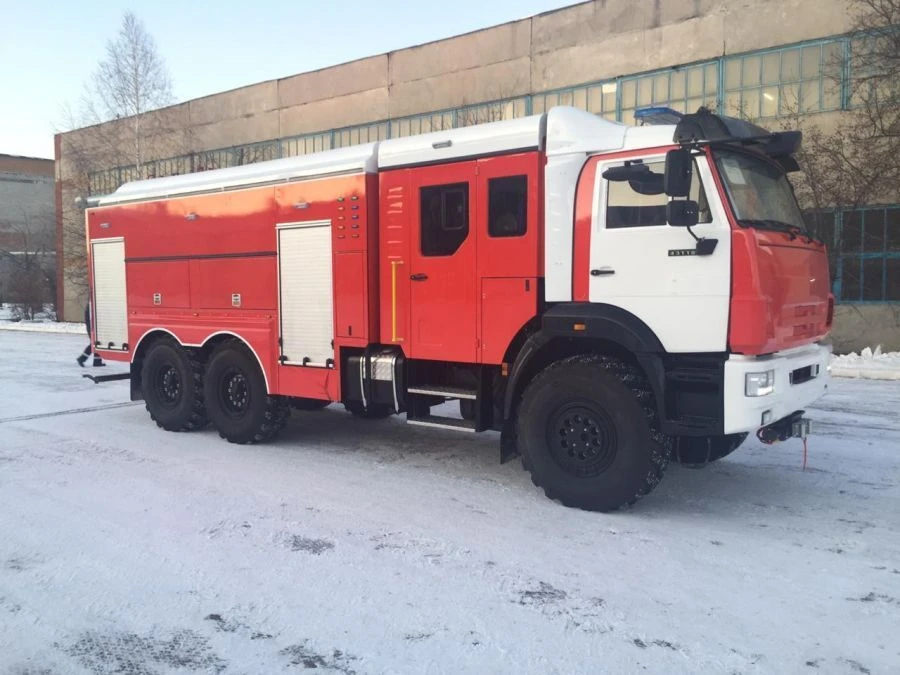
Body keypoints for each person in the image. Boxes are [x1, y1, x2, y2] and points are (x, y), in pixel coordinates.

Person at [77, 301, 104, 367]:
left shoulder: (92, 304)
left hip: (93, 325)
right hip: (92, 326)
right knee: (94, 343)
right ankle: (81, 359)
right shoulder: (92, 305)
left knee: (97, 343)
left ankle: (97, 361)